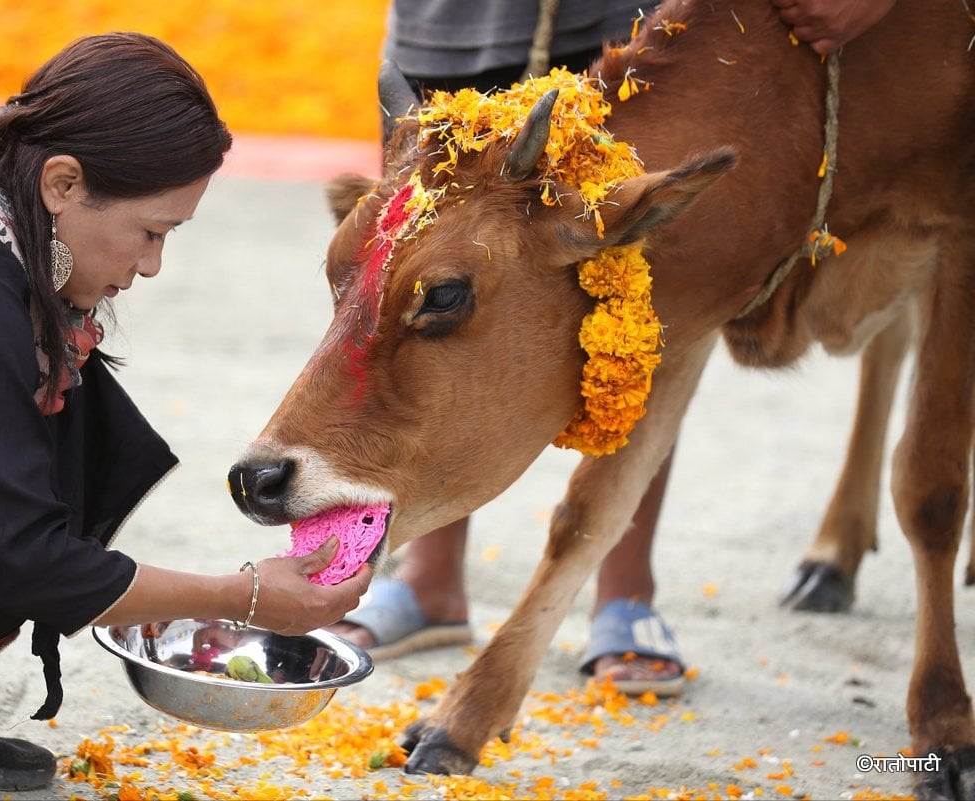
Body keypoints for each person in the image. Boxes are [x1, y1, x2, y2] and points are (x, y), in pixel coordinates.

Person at [0, 32, 370, 801]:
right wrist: (244, 594)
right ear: (62, 182)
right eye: (153, 231)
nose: (152, 264)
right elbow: (23, 555)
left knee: (67, 444)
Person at [330, 0, 898, 696]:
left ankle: (625, 591)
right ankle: (428, 580)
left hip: (624, 19)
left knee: (627, 279)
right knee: (433, 277)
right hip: (449, 21)